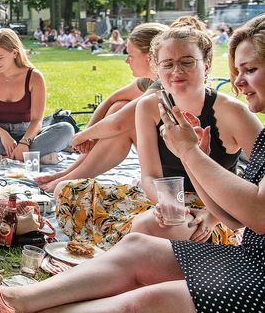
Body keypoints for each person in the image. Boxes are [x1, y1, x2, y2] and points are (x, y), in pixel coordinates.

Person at [0, 14, 265, 313]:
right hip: (248, 261)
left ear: (205, 65)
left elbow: (255, 215)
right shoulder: (155, 104)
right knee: (137, 247)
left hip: (249, 277)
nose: (239, 82)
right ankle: (9, 300)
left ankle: (8, 312)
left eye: (250, 70)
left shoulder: (235, 115)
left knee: (145, 303)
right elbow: (238, 216)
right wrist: (192, 160)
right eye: (238, 70)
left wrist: (191, 155)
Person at [56, 17, 261, 248]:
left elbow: (254, 190)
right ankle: (137, 244)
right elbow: (150, 176)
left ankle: (131, 246)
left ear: (207, 64)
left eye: (187, 62)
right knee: (67, 191)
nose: (176, 71)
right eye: (167, 64)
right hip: (163, 200)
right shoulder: (149, 106)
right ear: (157, 68)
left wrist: (212, 217)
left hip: (211, 212)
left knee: (148, 227)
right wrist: (168, 203)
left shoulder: (233, 113)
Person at [36, 23, 167, 192]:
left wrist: (82, 136)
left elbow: (118, 123)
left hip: (170, 165)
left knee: (125, 124)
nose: (127, 60)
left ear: (149, 57)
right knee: (118, 106)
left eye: (131, 55)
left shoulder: (164, 83)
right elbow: (112, 99)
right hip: (163, 153)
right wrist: (88, 135)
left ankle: (72, 178)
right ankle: (69, 174)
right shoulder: (151, 79)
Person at [0, 29, 75, 164]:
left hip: (29, 133)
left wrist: (25, 142)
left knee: (66, 129)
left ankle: (5, 156)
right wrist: (3, 135)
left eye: (0, 57)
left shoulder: (34, 77)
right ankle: (35, 157)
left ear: (14, 53)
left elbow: (37, 120)